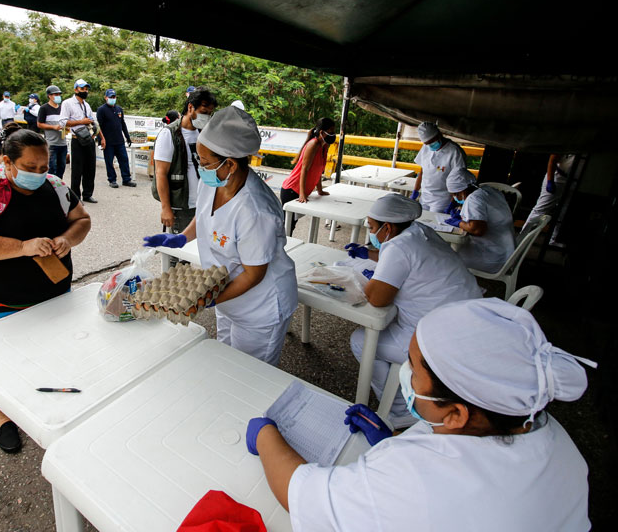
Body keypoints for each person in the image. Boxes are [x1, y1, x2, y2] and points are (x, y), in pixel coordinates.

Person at [246, 298, 594, 531]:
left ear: (457, 413)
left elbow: (301, 494)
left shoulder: (419, 481)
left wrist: (265, 434)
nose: (406, 374)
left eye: (413, 368)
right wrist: (391, 440)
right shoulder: (546, 433)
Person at [0, 129, 91, 453]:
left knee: (51, 351)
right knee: (4, 360)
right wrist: (22, 247)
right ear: (8, 163)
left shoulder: (55, 187)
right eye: (30, 167)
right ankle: (5, 416)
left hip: (53, 292)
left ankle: (50, 402)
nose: (39, 174)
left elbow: (82, 219)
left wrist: (69, 238)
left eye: (44, 166)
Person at [143, 107, 298, 366]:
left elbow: (253, 275)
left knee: (247, 375)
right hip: (227, 293)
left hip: (258, 308)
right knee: (225, 362)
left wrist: (205, 299)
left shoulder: (255, 210)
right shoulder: (214, 179)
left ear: (230, 163)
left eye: (204, 162)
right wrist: (182, 237)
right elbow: (204, 215)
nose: (200, 167)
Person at [344, 193, 482, 427]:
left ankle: (400, 410)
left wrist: (374, 281)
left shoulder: (400, 247)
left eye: (372, 226)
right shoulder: (419, 232)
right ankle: (406, 388)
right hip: (466, 319)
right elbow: (397, 258)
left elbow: (377, 299)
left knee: (362, 341)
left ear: (387, 227)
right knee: (383, 330)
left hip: (439, 335)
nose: (370, 232)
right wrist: (368, 254)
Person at [153, 87, 217, 233]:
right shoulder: (169, 134)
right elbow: (160, 173)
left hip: (203, 203)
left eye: (209, 114)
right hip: (181, 206)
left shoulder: (203, 132)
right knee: (180, 250)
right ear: (190, 107)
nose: (207, 117)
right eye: (204, 112)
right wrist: (166, 208)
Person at [444, 167, 515, 273]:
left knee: (447, 256)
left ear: (462, 190)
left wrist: (459, 223)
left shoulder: (473, 199)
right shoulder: (488, 190)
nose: (455, 197)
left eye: (455, 194)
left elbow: (477, 230)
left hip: (493, 256)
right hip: (506, 248)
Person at [279, 118, 335, 235]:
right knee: (286, 226)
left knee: (290, 227)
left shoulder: (324, 146)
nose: (332, 134)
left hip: (299, 190)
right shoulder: (313, 144)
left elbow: (318, 170)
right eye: (330, 131)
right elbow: (304, 169)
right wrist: (302, 194)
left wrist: (320, 190)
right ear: (321, 132)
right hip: (292, 190)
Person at [412, 121, 467, 212]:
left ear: (439, 134)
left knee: (435, 223)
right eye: (427, 143)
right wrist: (415, 191)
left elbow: (460, 180)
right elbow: (422, 172)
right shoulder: (426, 148)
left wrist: (452, 203)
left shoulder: (455, 151)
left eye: (432, 142)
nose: (430, 145)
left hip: (442, 199)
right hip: (425, 195)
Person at [61, 79, 102, 203]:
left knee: (90, 168)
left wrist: (100, 136)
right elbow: (63, 122)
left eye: (86, 89)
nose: (85, 91)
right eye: (82, 88)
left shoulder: (86, 104)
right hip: (77, 139)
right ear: (75, 89)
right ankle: (75, 196)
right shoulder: (67, 103)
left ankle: (88, 194)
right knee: (77, 170)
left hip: (89, 139)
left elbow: (94, 121)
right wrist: (81, 122)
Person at [522, 154, 575, 241]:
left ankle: (554, 239)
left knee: (563, 213)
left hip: (573, 181)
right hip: (558, 177)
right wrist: (550, 181)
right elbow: (552, 159)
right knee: (540, 210)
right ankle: (523, 237)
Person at [96, 89, 136, 188]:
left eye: (114, 97)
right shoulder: (101, 110)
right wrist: (100, 139)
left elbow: (123, 124)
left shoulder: (119, 109)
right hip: (108, 141)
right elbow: (98, 126)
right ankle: (112, 179)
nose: (112, 99)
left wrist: (127, 137)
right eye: (110, 97)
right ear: (106, 98)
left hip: (119, 141)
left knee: (124, 160)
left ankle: (126, 179)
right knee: (109, 161)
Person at [37, 85, 67, 178]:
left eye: (59, 94)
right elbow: (39, 124)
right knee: (51, 168)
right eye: (55, 94)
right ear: (49, 96)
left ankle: (59, 186)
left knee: (61, 167)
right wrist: (53, 127)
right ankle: (51, 187)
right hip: (51, 143)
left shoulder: (63, 108)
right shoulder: (44, 108)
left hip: (63, 142)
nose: (58, 96)